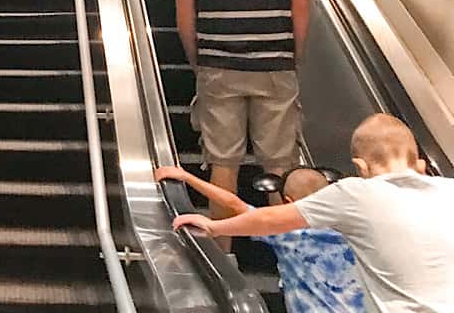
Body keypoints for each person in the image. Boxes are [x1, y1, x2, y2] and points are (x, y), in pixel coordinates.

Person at [173, 114, 454, 313]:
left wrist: (214, 227)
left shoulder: (354, 195)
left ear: (360, 167)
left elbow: (269, 219)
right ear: (420, 164)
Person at [170, 0, 312, 249]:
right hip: (275, 64)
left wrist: (197, 59)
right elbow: (301, 4)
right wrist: (294, 55)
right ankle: (288, 260)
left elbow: (185, 9)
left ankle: (223, 260)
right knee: (281, 166)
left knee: (224, 163)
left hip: (218, 65)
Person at [157, 165, 364, 313]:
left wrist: (187, 177)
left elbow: (235, 204)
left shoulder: (288, 232)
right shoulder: (355, 229)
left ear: (288, 202)